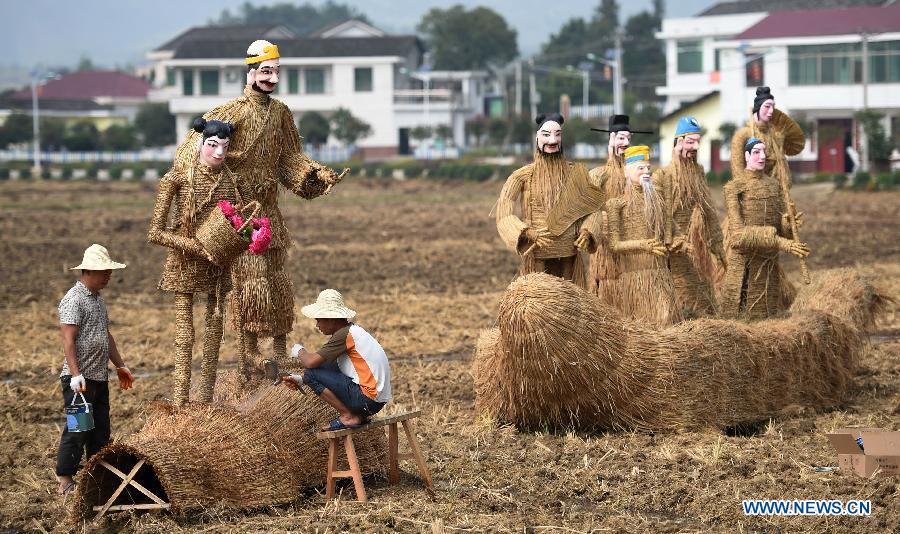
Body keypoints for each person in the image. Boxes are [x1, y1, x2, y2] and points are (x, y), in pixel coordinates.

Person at [172, 39, 346, 379]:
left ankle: (280, 358)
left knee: (279, 286)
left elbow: (289, 159)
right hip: (242, 216)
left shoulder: (281, 114)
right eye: (266, 71)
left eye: (276, 72)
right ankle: (250, 361)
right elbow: (192, 154)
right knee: (252, 287)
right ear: (251, 73)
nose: (271, 78)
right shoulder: (227, 114)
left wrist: (312, 175)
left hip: (271, 214)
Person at [148, 118, 240, 405]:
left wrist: (244, 237)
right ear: (202, 143)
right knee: (185, 334)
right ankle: (179, 402)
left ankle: (204, 401)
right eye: (212, 145)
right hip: (184, 263)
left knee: (214, 330)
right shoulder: (178, 178)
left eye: (224, 147)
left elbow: (237, 221)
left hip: (218, 265)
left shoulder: (231, 181)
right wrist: (195, 247)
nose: (219, 153)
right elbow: (155, 232)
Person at [56, 244, 135, 495]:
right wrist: (76, 374)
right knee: (78, 428)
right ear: (88, 272)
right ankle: (65, 480)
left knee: (100, 431)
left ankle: (97, 478)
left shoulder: (99, 300)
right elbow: (68, 339)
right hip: (79, 379)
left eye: (109, 271)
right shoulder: (73, 299)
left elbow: (106, 336)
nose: (108, 276)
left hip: (99, 377)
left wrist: (120, 365)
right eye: (104, 272)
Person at [495, 113, 603, 288]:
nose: (552, 140)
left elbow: (594, 208)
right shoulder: (521, 176)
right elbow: (504, 214)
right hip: (538, 252)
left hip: (569, 251)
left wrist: (587, 231)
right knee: (539, 292)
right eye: (546, 135)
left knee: (570, 294)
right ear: (538, 137)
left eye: (557, 135)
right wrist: (526, 232)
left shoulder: (576, 173)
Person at [720, 138, 810, 320]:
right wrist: (781, 242)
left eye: (763, 152)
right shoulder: (735, 188)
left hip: (769, 268)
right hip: (745, 269)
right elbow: (738, 237)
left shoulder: (774, 186)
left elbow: (781, 229)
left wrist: (788, 223)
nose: (762, 157)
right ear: (746, 156)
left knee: (766, 318)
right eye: (756, 152)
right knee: (740, 320)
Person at [284, 289, 392, 431]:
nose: (317, 325)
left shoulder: (344, 335)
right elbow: (328, 368)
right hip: (375, 402)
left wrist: (298, 350)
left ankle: (347, 416)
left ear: (331, 319)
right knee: (325, 365)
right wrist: (301, 379)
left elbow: (310, 362)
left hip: (367, 400)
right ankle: (358, 415)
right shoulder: (353, 331)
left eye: (319, 320)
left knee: (312, 371)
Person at [602, 146, 682, 326]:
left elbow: (671, 228)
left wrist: (679, 241)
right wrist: (643, 245)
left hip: (660, 274)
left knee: (667, 318)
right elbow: (614, 245)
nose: (646, 172)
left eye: (648, 168)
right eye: (640, 168)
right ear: (626, 172)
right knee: (641, 323)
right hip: (634, 276)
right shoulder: (617, 205)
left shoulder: (658, 203)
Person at [653, 116, 725, 318]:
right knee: (680, 293)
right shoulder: (663, 176)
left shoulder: (699, 172)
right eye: (690, 141)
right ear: (679, 141)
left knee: (702, 294)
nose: (695, 146)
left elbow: (709, 209)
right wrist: (676, 240)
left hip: (696, 247)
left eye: (697, 142)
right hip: (672, 248)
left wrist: (717, 243)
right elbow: (659, 215)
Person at [585, 114, 654, 296]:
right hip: (606, 245)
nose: (625, 142)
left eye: (628, 139)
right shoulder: (599, 175)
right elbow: (588, 209)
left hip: (632, 243)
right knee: (606, 287)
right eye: (620, 138)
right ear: (611, 140)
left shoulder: (634, 174)